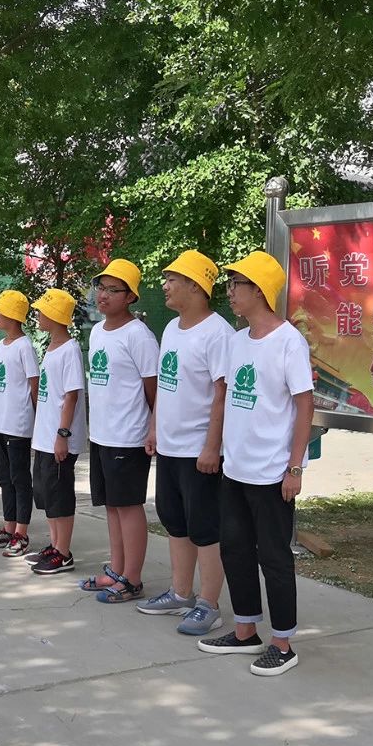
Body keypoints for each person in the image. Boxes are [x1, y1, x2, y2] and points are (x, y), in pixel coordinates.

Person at [195, 251, 314, 677]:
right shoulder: (236, 341)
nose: (229, 293)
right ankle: (246, 631)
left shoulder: (289, 342)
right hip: (236, 469)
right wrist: (217, 449)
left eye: (236, 285)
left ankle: (282, 643)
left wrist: (294, 468)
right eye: (229, 285)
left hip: (271, 472)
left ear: (259, 291)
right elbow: (225, 398)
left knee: (275, 557)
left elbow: (304, 407)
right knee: (235, 550)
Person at [139, 250, 234, 636]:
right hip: (170, 446)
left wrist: (212, 447)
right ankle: (182, 594)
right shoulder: (173, 329)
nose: (164, 285)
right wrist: (154, 426)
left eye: (172, 278)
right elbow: (164, 382)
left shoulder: (218, 333)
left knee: (205, 528)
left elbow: (222, 394)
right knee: (175, 522)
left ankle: (209, 604)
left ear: (196, 285)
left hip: (200, 452)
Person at [77, 259, 159, 602]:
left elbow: (153, 390)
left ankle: (133, 579)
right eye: (101, 287)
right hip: (102, 434)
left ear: (130, 297)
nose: (103, 295)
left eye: (113, 289)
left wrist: (152, 428)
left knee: (128, 506)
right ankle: (117, 569)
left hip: (129, 435)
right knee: (111, 506)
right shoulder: (97, 331)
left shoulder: (138, 336)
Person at [25, 288, 87, 575]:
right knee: (46, 493)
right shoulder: (51, 347)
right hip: (44, 437)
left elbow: (71, 395)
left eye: (41, 311)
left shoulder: (70, 350)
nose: (37, 315)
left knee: (60, 495)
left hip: (58, 439)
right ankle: (54, 544)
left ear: (54, 315)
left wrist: (63, 434)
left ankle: (63, 553)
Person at [0, 290, 39, 557]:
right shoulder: (2, 345)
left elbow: (33, 385)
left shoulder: (25, 346)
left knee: (19, 478)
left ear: (13, 315)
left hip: (18, 423)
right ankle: (8, 527)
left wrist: (39, 421)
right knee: (4, 478)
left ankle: (21, 534)